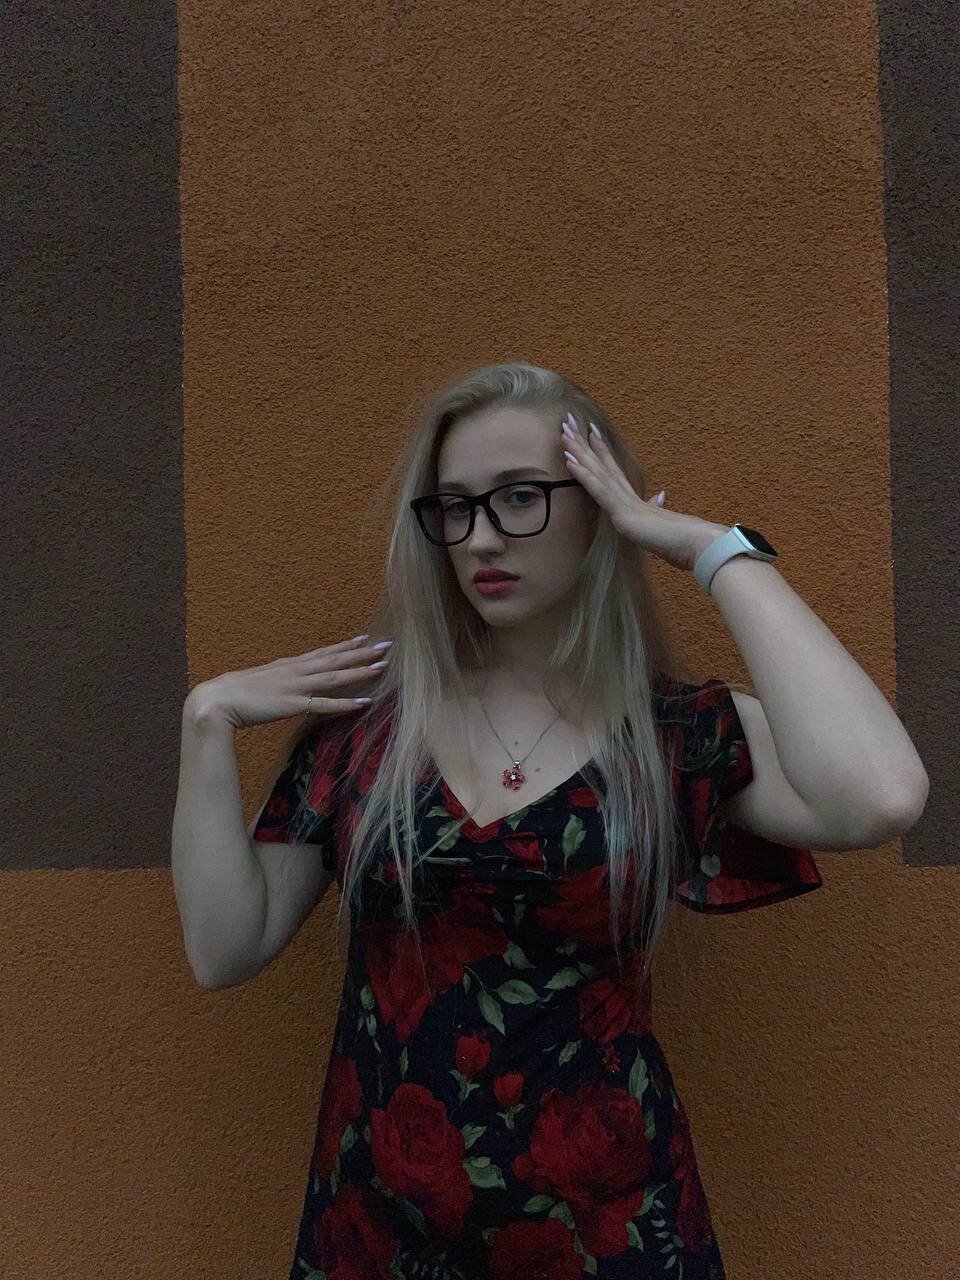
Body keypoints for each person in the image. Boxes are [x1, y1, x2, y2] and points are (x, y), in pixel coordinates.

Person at [173, 361, 827, 1279]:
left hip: (613, 1233)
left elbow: (878, 795)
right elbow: (224, 949)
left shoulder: (673, 735)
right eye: (455, 507)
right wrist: (206, 720)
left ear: (599, 507)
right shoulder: (369, 733)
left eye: (521, 497)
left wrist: (704, 549)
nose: (481, 537)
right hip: (381, 1229)